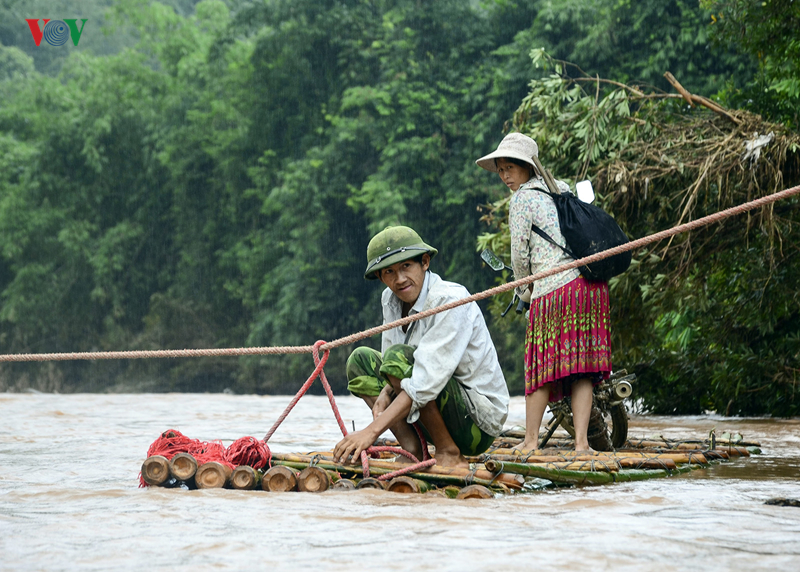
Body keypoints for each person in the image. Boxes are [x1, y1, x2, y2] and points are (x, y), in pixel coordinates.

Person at [476, 133, 612, 452]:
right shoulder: (561, 189)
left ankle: (530, 442)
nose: (506, 176)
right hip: (590, 288)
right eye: (501, 170)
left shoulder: (523, 199)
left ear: (527, 167)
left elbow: (519, 256)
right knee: (582, 368)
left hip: (555, 290)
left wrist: (525, 287)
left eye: (510, 168)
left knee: (541, 369)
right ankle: (582, 445)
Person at [333, 226, 509, 468]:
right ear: (380, 277)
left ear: (424, 262)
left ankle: (449, 452)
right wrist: (383, 396)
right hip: (425, 402)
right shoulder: (390, 299)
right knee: (360, 360)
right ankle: (412, 448)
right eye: (389, 272)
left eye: (407, 266)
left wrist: (370, 432)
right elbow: (389, 365)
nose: (400, 279)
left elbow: (424, 379)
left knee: (401, 359)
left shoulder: (449, 300)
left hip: (476, 423)